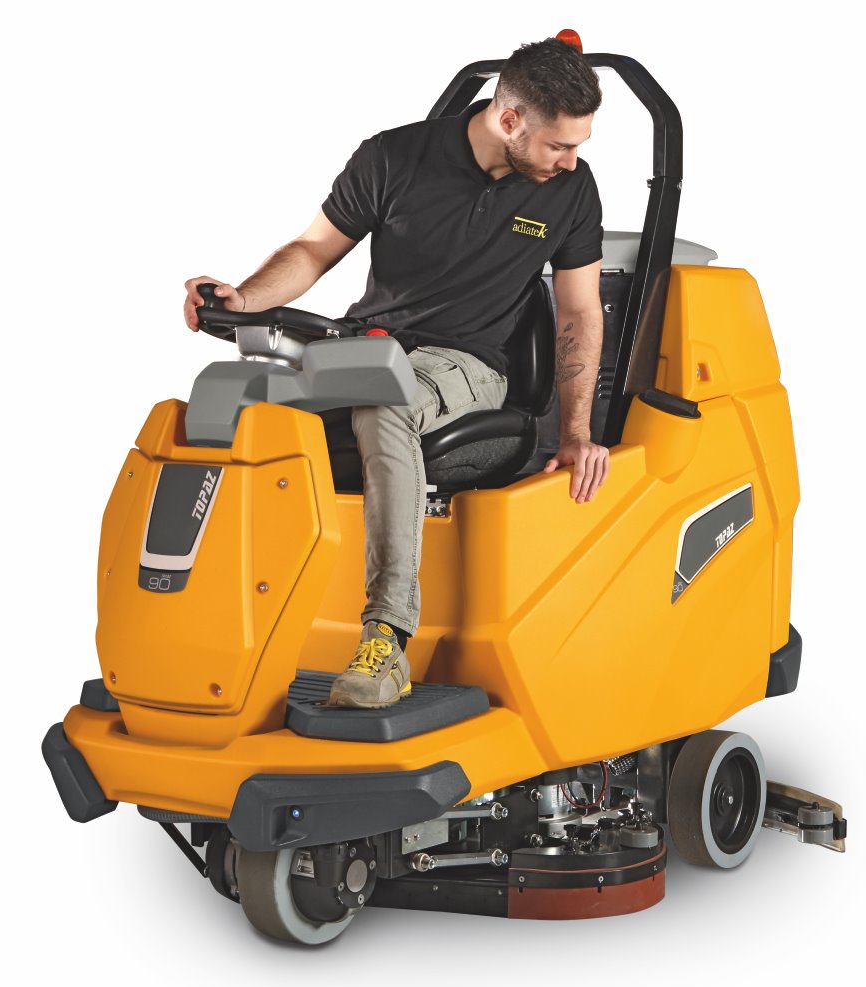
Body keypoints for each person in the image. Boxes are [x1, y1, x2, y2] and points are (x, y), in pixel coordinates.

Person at [183, 38, 610, 709]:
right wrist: (242, 299)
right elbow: (314, 248)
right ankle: (223, 630)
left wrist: (579, 432)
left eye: (578, 145)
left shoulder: (570, 192)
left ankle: (385, 639)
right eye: (560, 145)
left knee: (386, 408)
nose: (572, 161)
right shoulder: (394, 156)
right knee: (237, 406)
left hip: (470, 365)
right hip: (365, 345)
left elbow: (579, 313)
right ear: (508, 121)